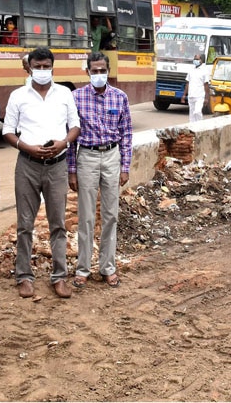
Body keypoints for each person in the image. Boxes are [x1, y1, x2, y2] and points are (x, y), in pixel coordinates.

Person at [2, 46, 80, 299]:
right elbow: (8, 131)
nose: (42, 71)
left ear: (52, 67)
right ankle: (24, 276)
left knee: (58, 223)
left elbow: (75, 126)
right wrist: (27, 147)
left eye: (47, 66)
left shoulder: (65, 93)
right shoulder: (18, 95)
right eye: (38, 66)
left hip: (57, 165)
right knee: (25, 224)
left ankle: (59, 277)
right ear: (30, 67)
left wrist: (64, 143)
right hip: (27, 165)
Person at [68, 51, 132, 289]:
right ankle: (83, 268)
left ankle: (108, 267)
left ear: (108, 71)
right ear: (87, 71)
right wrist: (72, 170)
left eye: (102, 71)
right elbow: (72, 138)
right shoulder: (76, 98)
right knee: (85, 216)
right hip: (87, 156)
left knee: (111, 215)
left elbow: (126, 133)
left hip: (112, 156)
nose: (98, 74)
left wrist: (125, 167)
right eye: (94, 71)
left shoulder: (120, 97)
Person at [181, 53, 210, 122]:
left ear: (201, 60)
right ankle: (192, 128)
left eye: (197, 59)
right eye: (194, 59)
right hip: (191, 96)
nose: (195, 60)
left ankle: (200, 126)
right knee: (192, 115)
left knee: (197, 112)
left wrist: (207, 98)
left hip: (199, 96)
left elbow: (206, 85)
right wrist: (184, 95)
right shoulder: (191, 70)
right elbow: (188, 83)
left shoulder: (205, 71)